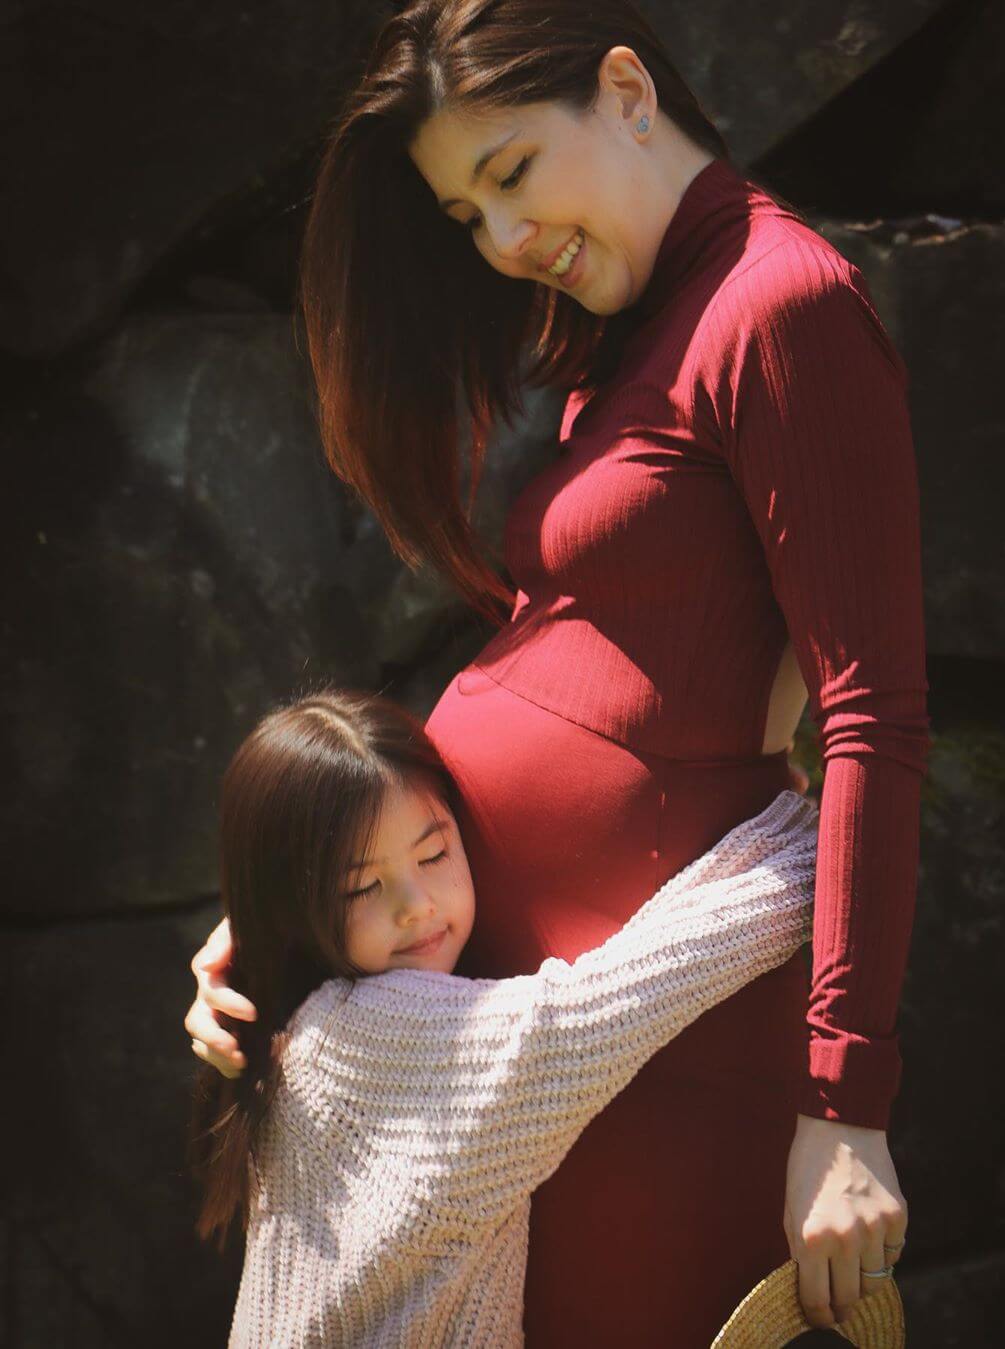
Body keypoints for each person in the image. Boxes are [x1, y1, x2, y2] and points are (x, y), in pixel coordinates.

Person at [185, 1, 925, 1340]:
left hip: (663, 1060)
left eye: (513, 172)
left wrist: (846, 1103)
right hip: (527, 1049)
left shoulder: (783, 308)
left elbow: (873, 717)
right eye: (468, 215)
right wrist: (300, 898)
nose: (506, 240)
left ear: (628, 90)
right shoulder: (631, 329)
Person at [190, 687, 820, 1346]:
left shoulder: (294, 1033)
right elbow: (612, 1003)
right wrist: (807, 849)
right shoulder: (367, 1036)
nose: (416, 904)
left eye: (433, 854)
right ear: (293, 906)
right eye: (363, 887)